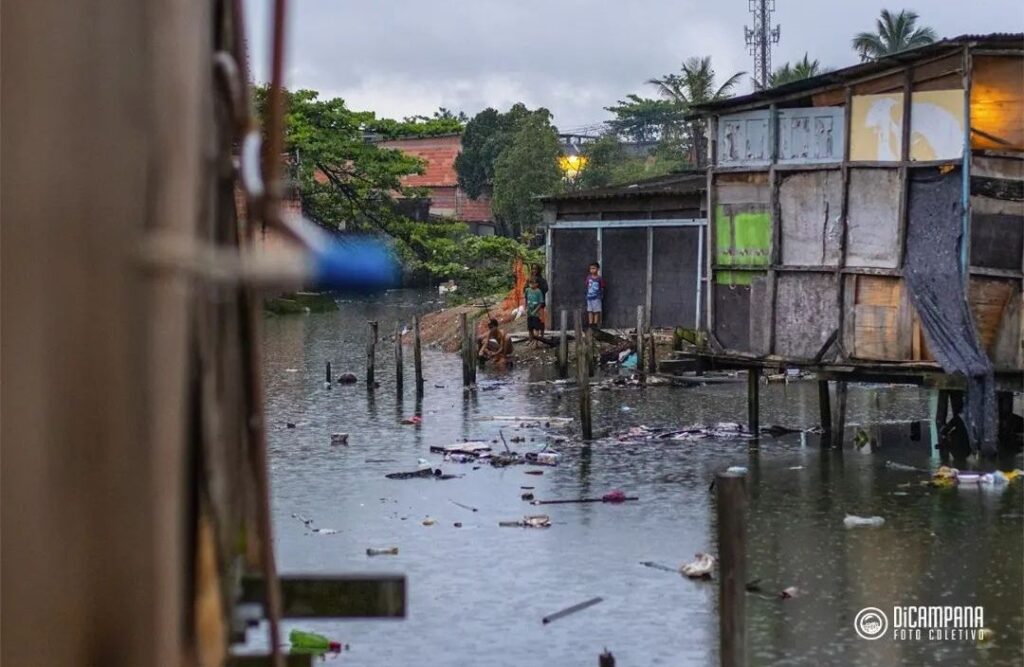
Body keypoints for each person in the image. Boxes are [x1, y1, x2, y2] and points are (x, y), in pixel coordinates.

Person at [524, 278, 546, 346]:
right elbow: (526, 298)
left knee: (536, 327)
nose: (531, 284)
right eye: (530, 283)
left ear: (537, 284)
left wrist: (535, 310)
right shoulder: (527, 290)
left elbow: (541, 303)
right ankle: (531, 340)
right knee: (530, 327)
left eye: (533, 283)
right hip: (529, 312)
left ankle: (536, 342)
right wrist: (526, 307)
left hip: (536, 313)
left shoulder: (538, 291)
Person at [585, 261, 605, 327]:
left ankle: (595, 323)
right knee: (590, 310)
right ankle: (590, 323)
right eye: (591, 269)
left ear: (597, 269)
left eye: (594, 268)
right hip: (589, 297)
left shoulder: (599, 278)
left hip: (597, 297)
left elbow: (602, 287)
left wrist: (601, 295)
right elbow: (587, 286)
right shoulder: (588, 278)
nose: (592, 270)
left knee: (596, 311)